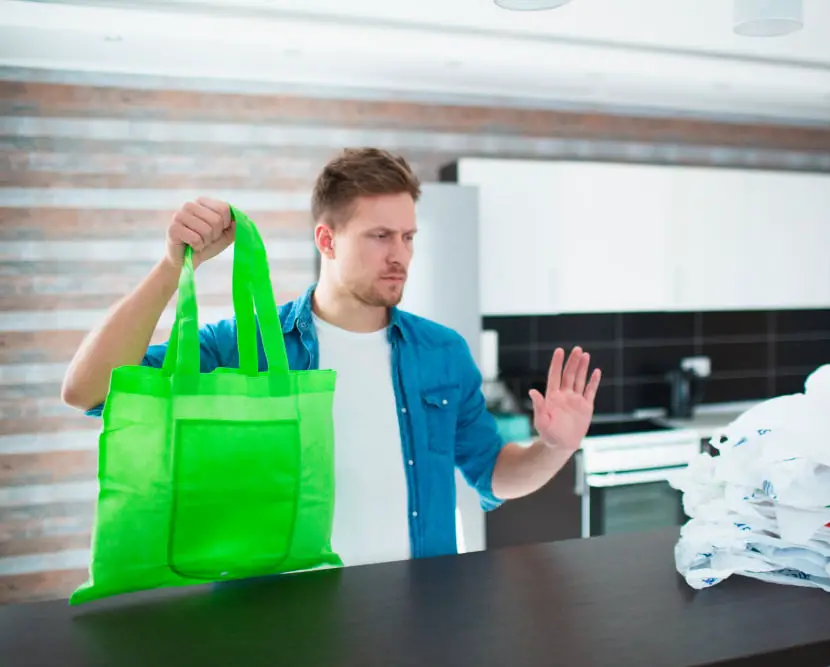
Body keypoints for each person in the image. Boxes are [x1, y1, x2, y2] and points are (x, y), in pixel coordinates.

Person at [61, 147, 602, 566]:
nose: (400, 256)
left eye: (409, 237)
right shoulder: (244, 346)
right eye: (380, 236)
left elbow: (492, 475)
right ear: (327, 239)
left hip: (420, 614)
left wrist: (554, 448)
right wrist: (171, 268)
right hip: (283, 622)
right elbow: (88, 391)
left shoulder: (443, 352)